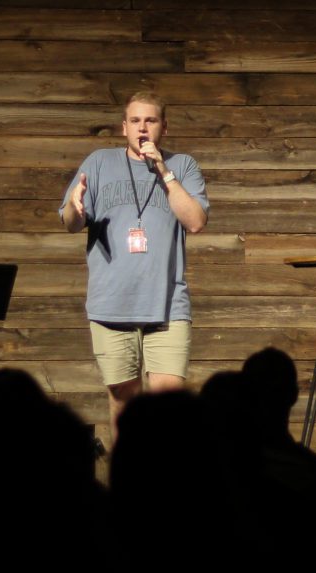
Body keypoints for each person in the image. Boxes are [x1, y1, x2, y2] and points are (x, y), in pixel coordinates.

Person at [60, 91, 209, 443]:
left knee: (168, 410)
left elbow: (196, 222)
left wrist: (163, 171)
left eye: (151, 121)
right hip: (112, 304)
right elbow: (69, 222)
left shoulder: (182, 165)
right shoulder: (98, 162)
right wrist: (74, 209)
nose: (143, 128)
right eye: (136, 121)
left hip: (167, 306)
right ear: (123, 126)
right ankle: (127, 488)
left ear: (164, 128)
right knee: (123, 406)